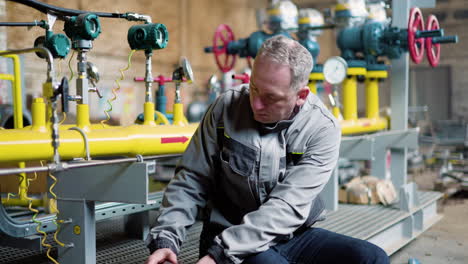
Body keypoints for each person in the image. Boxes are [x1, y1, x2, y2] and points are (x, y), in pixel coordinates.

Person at [145, 35, 389, 264]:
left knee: (372, 258)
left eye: (270, 97)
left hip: (293, 235)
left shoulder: (321, 128)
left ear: (301, 95)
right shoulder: (225, 108)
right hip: (227, 237)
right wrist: (166, 240)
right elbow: (191, 179)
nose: (255, 104)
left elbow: (287, 206)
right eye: (253, 89)